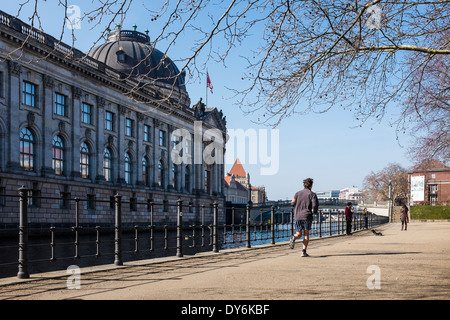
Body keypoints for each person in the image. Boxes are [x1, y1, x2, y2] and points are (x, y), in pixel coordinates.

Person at [289, 178, 319, 257]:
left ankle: (293, 237)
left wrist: (296, 205)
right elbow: (315, 205)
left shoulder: (297, 193)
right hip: (307, 216)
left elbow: (292, 203)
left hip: (297, 216)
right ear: (311, 185)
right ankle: (303, 251)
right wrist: (315, 212)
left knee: (298, 234)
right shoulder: (312, 194)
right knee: (306, 235)